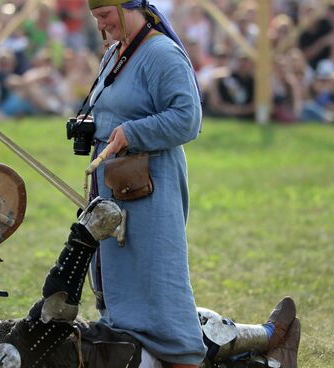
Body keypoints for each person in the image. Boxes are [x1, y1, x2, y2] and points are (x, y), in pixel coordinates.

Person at [0, 180, 301, 368]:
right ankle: (270, 342)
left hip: (110, 340)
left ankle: (271, 345)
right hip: (124, 359)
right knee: (198, 330)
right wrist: (85, 237)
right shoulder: (4, 360)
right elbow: (55, 311)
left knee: (190, 332)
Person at [77, 1, 207, 366]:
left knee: (155, 272)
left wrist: (131, 132)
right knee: (117, 270)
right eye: (96, 18)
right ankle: (131, 348)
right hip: (114, 182)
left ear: (128, 7)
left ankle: (180, 353)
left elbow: (187, 118)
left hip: (151, 184)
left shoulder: (161, 53)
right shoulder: (115, 53)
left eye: (105, 16)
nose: (101, 26)